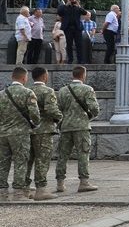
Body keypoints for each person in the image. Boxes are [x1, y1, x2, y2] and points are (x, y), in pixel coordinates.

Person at [56, 65, 100, 193]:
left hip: (65, 126)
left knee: (63, 155)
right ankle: (84, 182)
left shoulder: (63, 90)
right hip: (81, 126)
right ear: (83, 75)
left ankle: (60, 183)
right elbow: (94, 108)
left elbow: (58, 108)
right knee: (83, 153)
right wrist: (89, 117)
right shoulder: (87, 89)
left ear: (72, 75)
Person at [1, 67, 38, 201]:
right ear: (24, 78)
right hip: (20, 133)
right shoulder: (28, 93)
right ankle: (18, 192)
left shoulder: (1, 94)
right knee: (21, 161)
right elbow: (35, 114)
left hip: (3, 134)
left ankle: (2, 193)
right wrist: (35, 123)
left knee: (2, 162)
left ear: (12, 77)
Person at [26, 67, 62, 201]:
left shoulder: (27, 91)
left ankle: (25, 188)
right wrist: (60, 117)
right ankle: (41, 189)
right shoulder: (47, 91)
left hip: (28, 130)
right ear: (44, 76)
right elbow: (51, 109)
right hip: (44, 129)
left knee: (28, 160)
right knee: (42, 159)